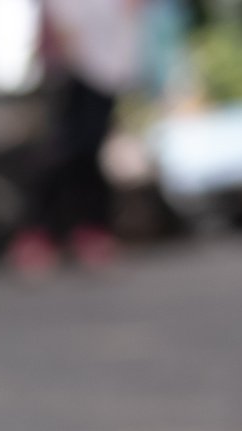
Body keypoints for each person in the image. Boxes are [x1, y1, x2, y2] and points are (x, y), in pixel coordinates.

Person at [10, 0, 146, 274]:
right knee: (67, 150)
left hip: (106, 70)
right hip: (76, 69)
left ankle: (87, 230)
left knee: (86, 151)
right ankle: (43, 232)